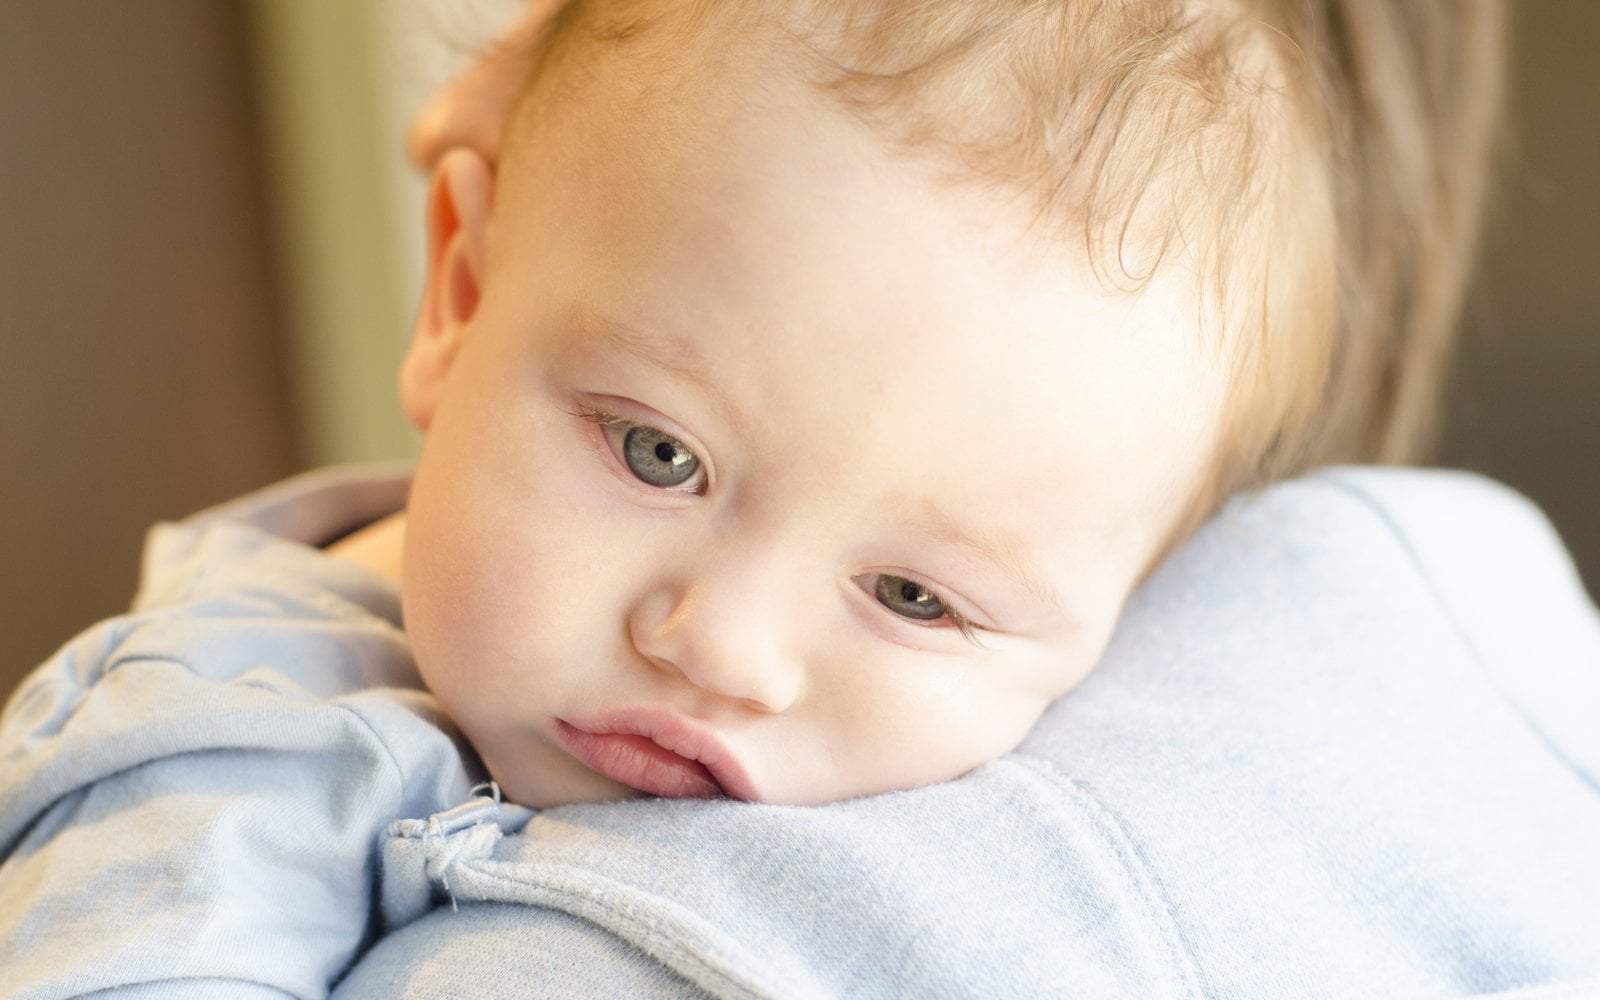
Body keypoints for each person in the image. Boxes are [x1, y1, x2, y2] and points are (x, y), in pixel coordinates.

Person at [13, 1, 1590, 997]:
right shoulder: (226, 747)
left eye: (914, 599)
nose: (727, 650)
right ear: (461, 289)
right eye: (656, 455)